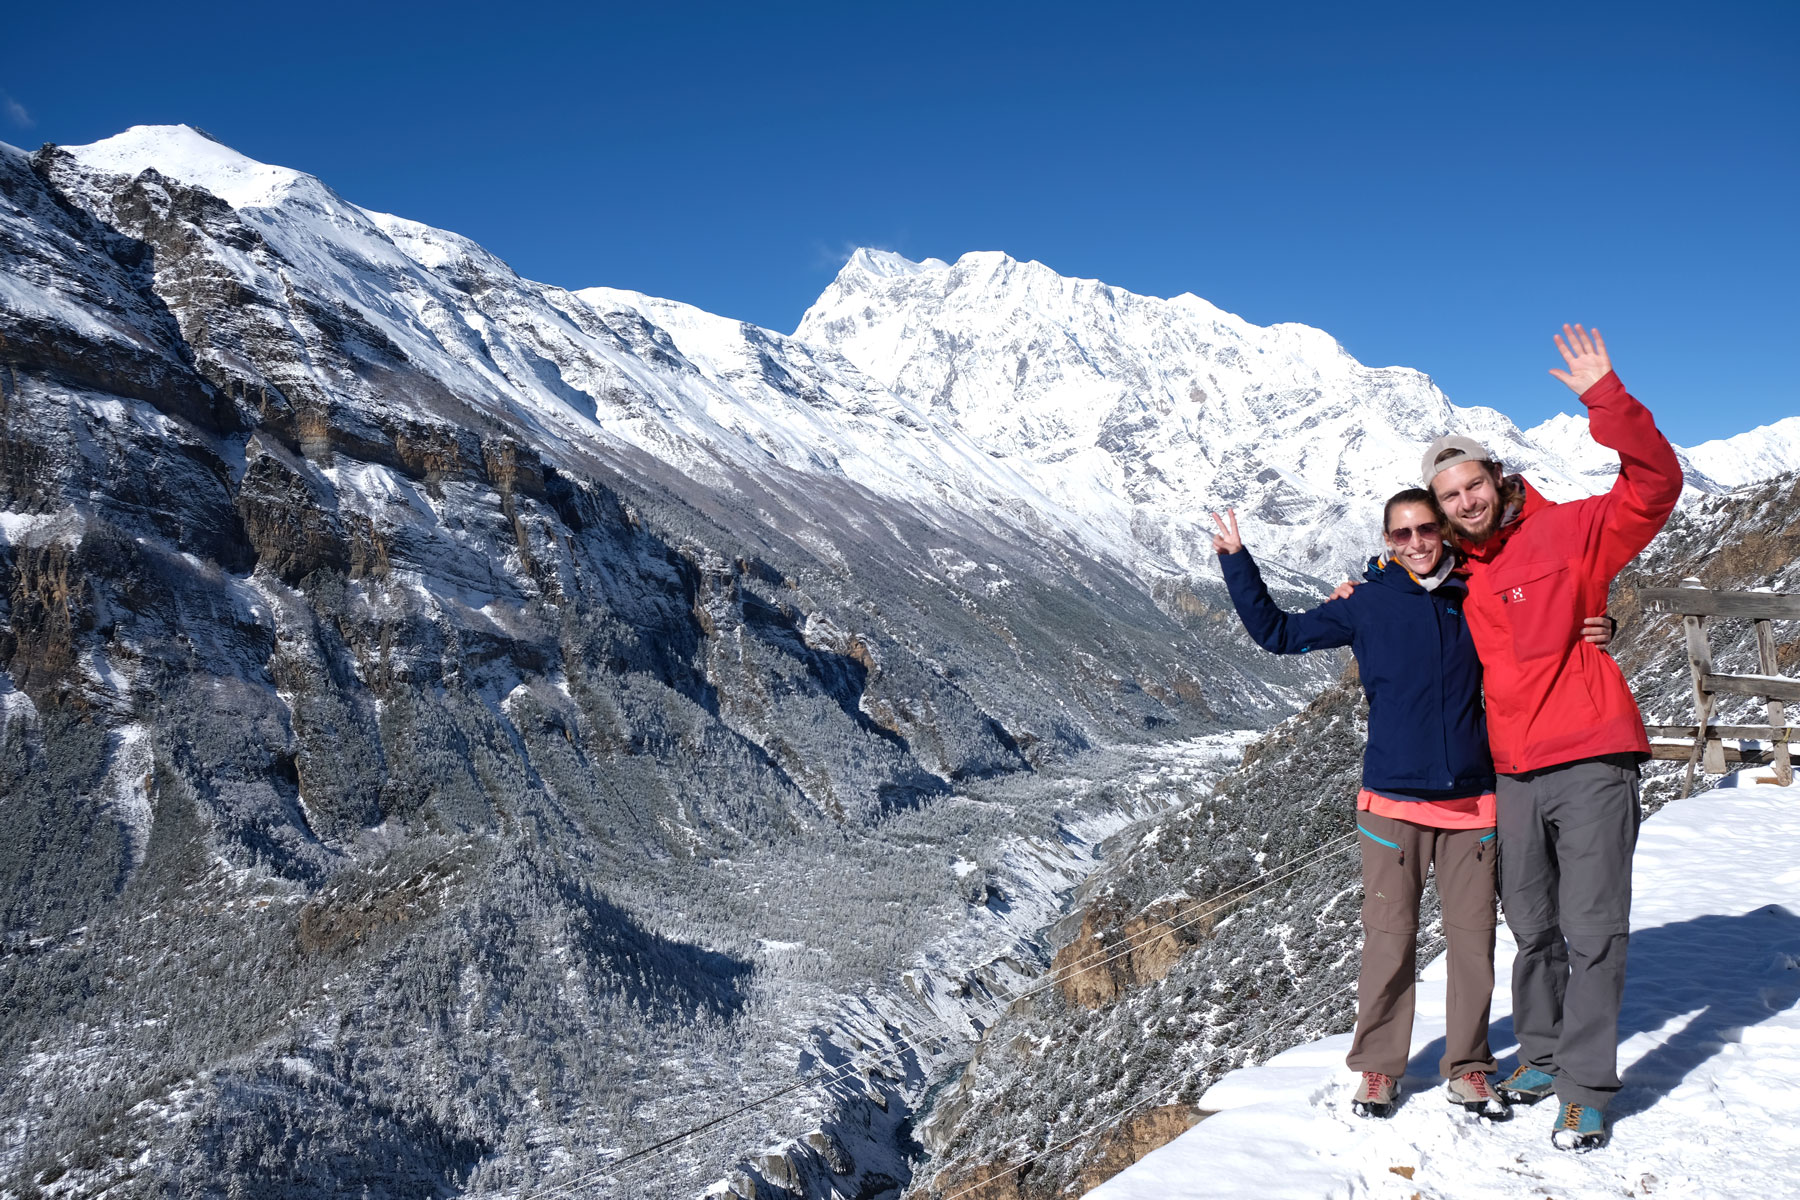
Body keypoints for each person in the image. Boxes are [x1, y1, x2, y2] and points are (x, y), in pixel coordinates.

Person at [1210, 500, 1614, 1121]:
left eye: (1427, 528)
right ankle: (1378, 1067)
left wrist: (1594, 626)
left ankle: (1470, 1066)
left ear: (1445, 531)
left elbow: (1540, 633)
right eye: (1403, 532)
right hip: (1391, 802)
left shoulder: (1477, 594)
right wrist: (1237, 560)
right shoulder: (1367, 602)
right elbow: (1279, 634)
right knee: (1388, 941)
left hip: (1472, 800)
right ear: (1388, 540)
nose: (1417, 540)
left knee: (1472, 944)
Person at [1424, 324, 1681, 1151]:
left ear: (1498, 481)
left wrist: (1606, 397)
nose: (1465, 501)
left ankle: (1588, 1085)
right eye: (1449, 495)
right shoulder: (1460, 575)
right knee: (1531, 923)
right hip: (1512, 772)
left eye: (1473, 485)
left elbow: (1654, 485)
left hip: (1592, 758)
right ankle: (1540, 1052)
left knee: (1593, 926)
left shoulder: (1570, 532)